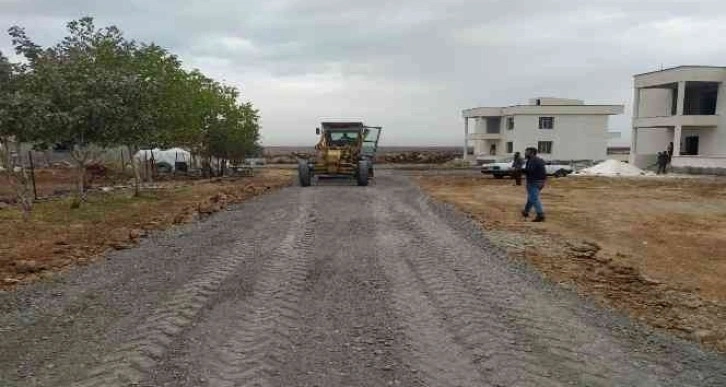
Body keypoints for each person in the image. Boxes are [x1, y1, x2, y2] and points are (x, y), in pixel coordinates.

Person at [521, 147, 546, 222]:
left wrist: (519, 170)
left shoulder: (532, 160)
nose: (525, 153)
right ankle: (526, 211)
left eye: (527, 152)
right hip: (541, 182)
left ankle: (540, 214)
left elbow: (530, 170)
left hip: (534, 182)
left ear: (531, 153)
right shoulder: (539, 159)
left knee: (534, 198)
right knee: (531, 197)